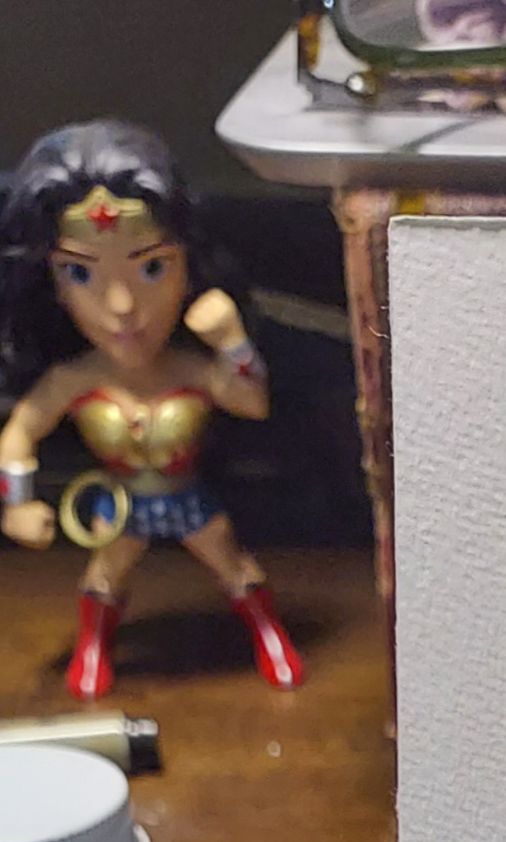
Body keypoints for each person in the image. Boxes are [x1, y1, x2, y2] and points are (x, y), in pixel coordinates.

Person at [0, 121, 303, 700]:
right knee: (104, 576)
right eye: (80, 272)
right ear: (50, 282)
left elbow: (252, 402)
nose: (121, 306)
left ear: (190, 266)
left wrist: (234, 345)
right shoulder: (75, 379)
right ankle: (93, 649)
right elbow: (19, 433)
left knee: (234, 565)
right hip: (120, 507)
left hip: (189, 498)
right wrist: (17, 505)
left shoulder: (190, 370)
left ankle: (269, 636)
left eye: (152, 268)